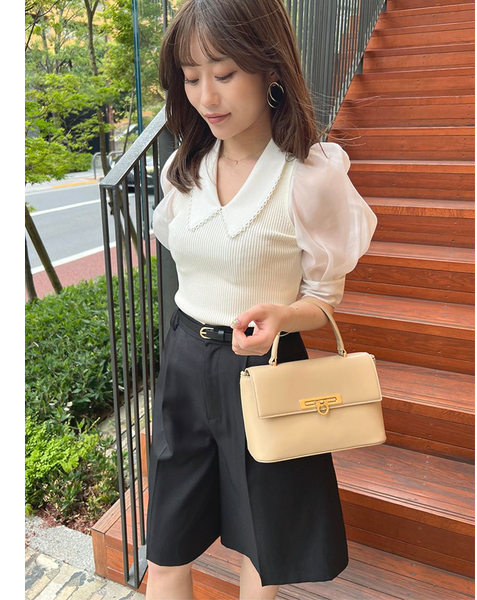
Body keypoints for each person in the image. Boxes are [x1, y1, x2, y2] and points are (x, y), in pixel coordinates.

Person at [147, 1, 377, 598]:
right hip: (184, 363)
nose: (206, 97)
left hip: (263, 368)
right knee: (165, 547)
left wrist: (284, 315)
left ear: (269, 67)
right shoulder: (185, 167)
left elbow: (325, 297)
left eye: (223, 74)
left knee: (261, 543)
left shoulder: (308, 176)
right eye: (191, 78)